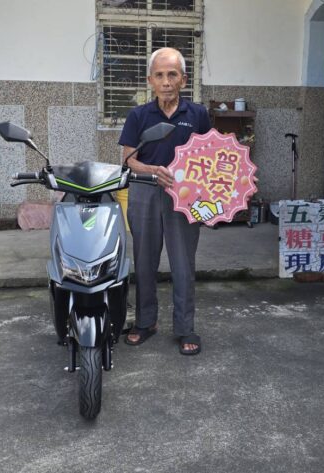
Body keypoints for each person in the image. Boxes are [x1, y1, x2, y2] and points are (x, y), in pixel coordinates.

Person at [119, 47, 210, 356]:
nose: (166, 81)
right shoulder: (139, 115)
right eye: (159, 75)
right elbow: (128, 159)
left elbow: (210, 157)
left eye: (172, 74)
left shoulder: (197, 114)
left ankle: (185, 328)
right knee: (145, 261)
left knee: (183, 264)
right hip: (145, 192)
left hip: (184, 197)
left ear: (183, 79)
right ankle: (146, 322)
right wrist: (152, 171)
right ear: (150, 80)